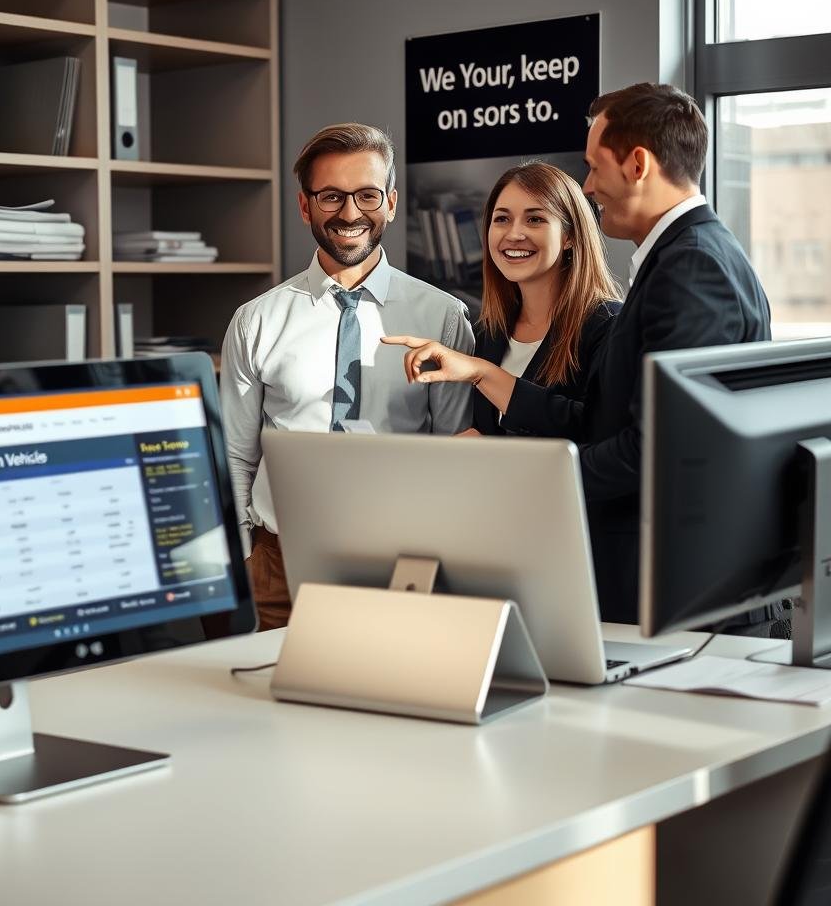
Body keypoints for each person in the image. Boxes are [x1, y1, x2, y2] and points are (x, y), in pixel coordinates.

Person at [390, 84, 773, 629]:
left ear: (637, 164)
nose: (589, 186)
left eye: (594, 167)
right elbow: (597, 418)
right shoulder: (689, 255)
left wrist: (519, 475)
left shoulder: (692, 267)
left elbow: (656, 452)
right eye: (501, 218)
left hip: (683, 588)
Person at [220, 122, 475, 630]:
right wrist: (248, 553)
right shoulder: (257, 319)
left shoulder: (442, 317)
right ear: (305, 205)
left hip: (400, 562)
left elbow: (454, 449)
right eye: (331, 196)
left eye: (366, 195)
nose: (350, 213)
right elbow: (236, 452)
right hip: (278, 566)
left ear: (392, 202)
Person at [387, 161, 621, 440]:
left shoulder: (609, 325)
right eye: (502, 219)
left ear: (569, 236)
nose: (513, 234)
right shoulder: (489, 333)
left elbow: (598, 433)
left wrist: (482, 373)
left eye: (534, 219)